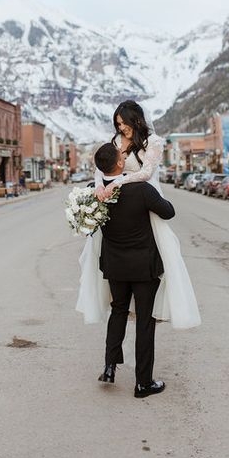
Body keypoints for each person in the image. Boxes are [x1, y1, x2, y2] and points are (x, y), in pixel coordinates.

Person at [76, 100, 201, 330]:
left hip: (143, 197)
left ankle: (153, 301)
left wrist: (119, 182)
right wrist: (99, 188)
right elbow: (99, 170)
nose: (120, 128)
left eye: (123, 123)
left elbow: (145, 172)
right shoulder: (115, 142)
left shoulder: (152, 142)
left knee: (162, 249)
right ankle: (115, 300)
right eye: (117, 124)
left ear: (136, 119)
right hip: (115, 203)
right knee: (103, 251)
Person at [95, 142, 174, 397]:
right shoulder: (141, 190)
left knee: (117, 311)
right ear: (119, 164)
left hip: (115, 265)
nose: (126, 157)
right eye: (122, 156)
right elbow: (169, 212)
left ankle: (109, 367)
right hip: (143, 266)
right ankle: (143, 382)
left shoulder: (94, 192)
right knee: (144, 321)